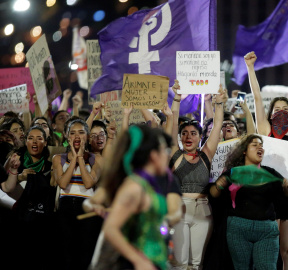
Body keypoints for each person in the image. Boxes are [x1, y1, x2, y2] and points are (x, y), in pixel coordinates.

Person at [245, 51, 288, 270]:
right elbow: (256, 98)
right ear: (271, 114)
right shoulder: (264, 130)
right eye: (277, 109)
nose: (281, 113)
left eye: (285, 110)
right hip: (269, 197)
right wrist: (250, 68)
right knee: (269, 253)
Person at [92, 125, 182, 270]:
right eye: (165, 150)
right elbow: (110, 229)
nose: (168, 155)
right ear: (153, 155)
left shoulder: (149, 184)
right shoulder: (134, 187)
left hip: (155, 259)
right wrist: (138, 260)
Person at [210, 134, 288, 270]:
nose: (259, 147)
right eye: (254, 145)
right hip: (238, 230)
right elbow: (214, 194)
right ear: (244, 150)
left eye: (261, 145)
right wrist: (219, 185)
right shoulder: (234, 173)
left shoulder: (270, 173)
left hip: (266, 231)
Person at [169, 80, 225, 270]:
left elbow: (217, 126)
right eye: (184, 133)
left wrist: (219, 103)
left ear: (200, 137)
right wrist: (176, 99)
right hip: (180, 210)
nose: (188, 137)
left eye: (193, 133)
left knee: (196, 263)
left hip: (203, 211)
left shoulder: (206, 155)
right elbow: (173, 122)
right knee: (180, 263)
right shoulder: (175, 154)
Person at [1, 126, 57, 269]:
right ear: (25, 141)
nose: (35, 142)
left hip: (41, 228)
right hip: (17, 226)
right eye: (31, 138)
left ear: (45, 142)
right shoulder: (14, 163)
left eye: (39, 138)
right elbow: (5, 188)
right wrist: (18, 176)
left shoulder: (52, 166)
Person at [52, 118, 103, 270]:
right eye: (73, 133)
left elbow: (88, 183)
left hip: (87, 210)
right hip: (65, 209)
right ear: (68, 137)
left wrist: (80, 158)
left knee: (85, 254)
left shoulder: (97, 159)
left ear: (87, 137)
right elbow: (62, 183)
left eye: (81, 132)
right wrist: (73, 158)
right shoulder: (58, 158)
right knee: (66, 254)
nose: (77, 136)